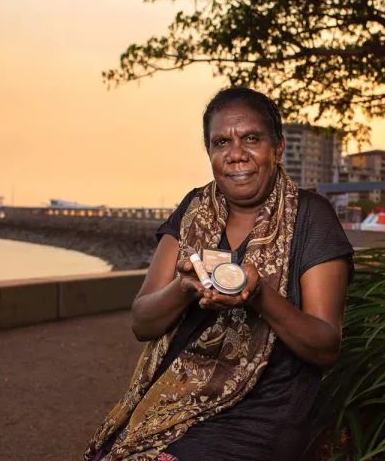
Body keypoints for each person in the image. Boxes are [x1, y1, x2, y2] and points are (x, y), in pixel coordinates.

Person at [85, 87, 354, 461]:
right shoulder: (193, 208)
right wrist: (182, 288)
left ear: (276, 149)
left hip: (261, 413)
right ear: (210, 152)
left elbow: (325, 346)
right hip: (172, 404)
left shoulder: (311, 215)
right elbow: (142, 323)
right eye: (221, 142)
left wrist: (259, 296)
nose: (236, 154)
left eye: (251, 139)